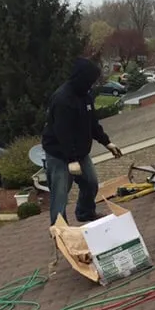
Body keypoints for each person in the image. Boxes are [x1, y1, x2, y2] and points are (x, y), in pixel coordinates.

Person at [42, 58, 123, 225]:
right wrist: (71, 159)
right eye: (89, 81)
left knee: (91, 183)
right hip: (58, 154)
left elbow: (92, 123)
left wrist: (107, 142)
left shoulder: (85, 96)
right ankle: (59, 229)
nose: (91, 85)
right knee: (60, 194)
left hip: (80, 153)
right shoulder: (62, 99)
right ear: (80, 78)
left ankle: (85, 212)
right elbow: (63, 133)